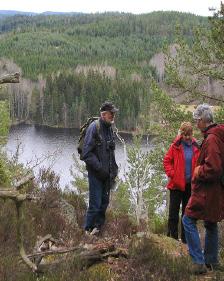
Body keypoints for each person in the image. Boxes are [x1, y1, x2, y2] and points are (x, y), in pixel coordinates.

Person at [182, 104, 224, 275]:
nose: (196, 124)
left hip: (207, 191)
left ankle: (198, 262)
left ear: (202, 120)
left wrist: (199, 172)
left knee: (187, 220)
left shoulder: (212, 138)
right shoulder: (218, 135)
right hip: (216, 191)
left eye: (197, 120)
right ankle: (212, 261)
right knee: (211, 222)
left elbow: (213, 167)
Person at [82, 101, 118, 235]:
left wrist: (114, 170)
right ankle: (87, 231)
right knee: (95, 204)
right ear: (103, 114)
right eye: (111, 113)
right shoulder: (94, 127)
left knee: (104, 203)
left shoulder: (109, 128)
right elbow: (86, 153)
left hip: (107, 176)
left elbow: (110, 152)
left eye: (114, 113)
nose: (113, 115)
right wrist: (99, 168)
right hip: (96, 175)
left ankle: (97, 230)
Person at [163, 122, 200, 243]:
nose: (187, 137)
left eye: (189, 134)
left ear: (192, 134)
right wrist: (172, 174)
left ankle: (185, 241)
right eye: (185, 134)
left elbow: (199, 164)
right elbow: (167, 161)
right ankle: (171, 240)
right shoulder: (175, 146)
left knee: (186, 215)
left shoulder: (196, 147)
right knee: (173, 214)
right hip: (176, 185)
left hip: (190, 186)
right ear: (181, 134)